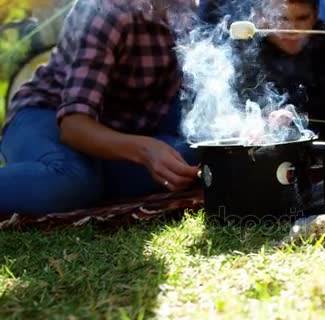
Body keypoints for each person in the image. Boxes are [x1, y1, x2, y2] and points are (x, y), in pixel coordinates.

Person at [0, 0, 202, 215]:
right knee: (69, 178)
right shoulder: (107, 11)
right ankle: (78, 180)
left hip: (121, 130)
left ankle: (90, 180)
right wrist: (146, 151)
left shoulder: (185, 8)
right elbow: (73, 126)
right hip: (49, 116)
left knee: (196, 153)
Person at [232, 0, 325, 141]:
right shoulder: (249, 47)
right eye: (281, 18)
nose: (292, 29)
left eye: (302, 18)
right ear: (261, 16)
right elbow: (240, 101)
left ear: (316, 13)